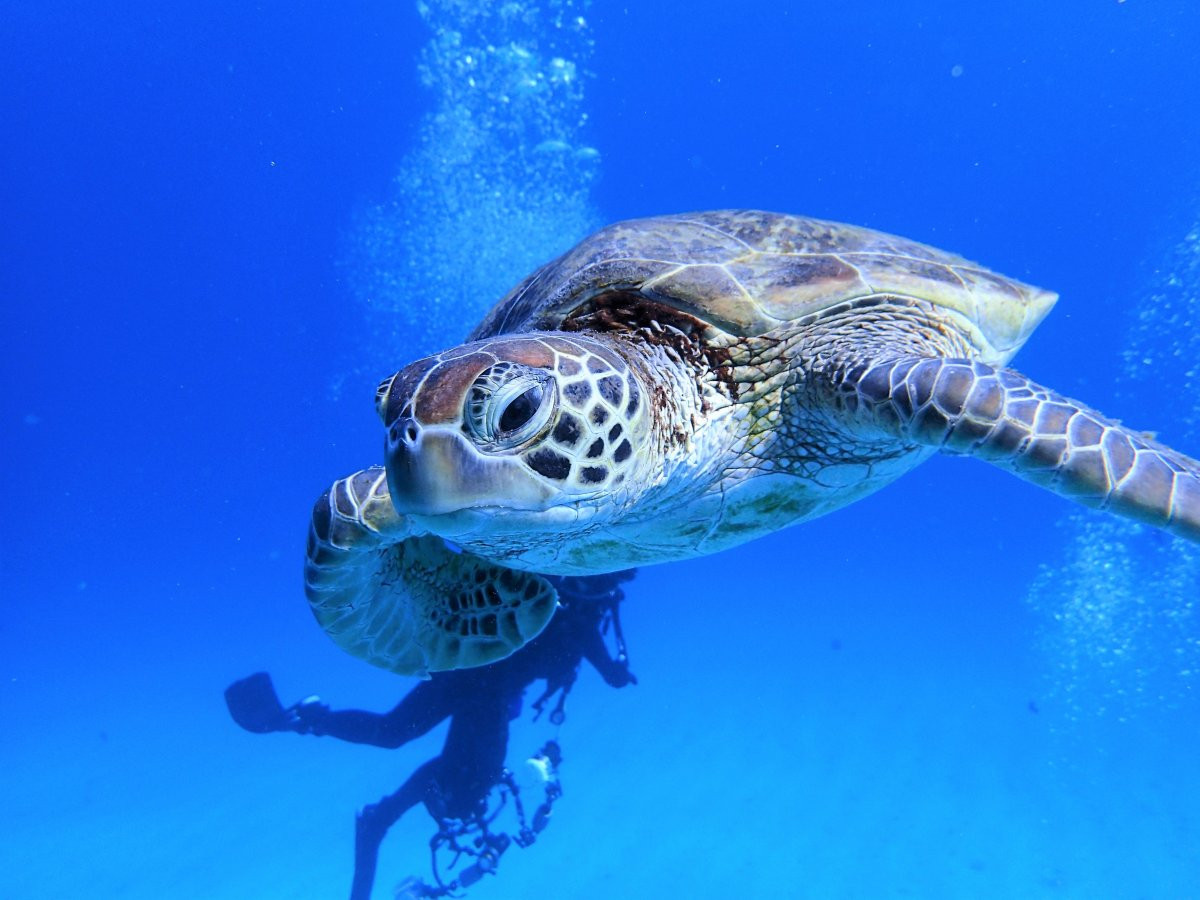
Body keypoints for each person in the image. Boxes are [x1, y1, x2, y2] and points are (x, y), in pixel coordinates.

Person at [225, 570, 637, 900]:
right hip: (478, 677)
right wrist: (614, 669)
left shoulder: (578, 607)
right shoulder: (579, 611)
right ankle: (308, 727)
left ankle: (305, 719)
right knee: (438, 768)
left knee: (395, 736)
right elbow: (598, 659)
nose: (608, 584)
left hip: (472, 671)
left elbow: (591, 654)